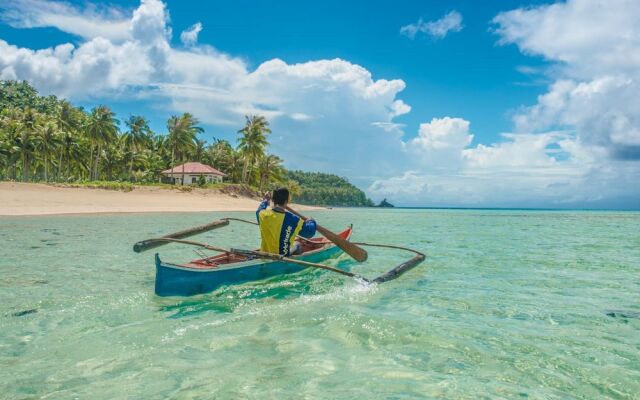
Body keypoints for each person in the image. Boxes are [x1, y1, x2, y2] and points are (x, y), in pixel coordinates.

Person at [256, 187, 316, 256]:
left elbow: (260, 208)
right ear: (286, 201)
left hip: (265, 254)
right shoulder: (293, 219)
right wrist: (311, 221)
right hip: (283, 256)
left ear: (273, 200)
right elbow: (309, 233)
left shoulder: (262, 214)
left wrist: (265, 200)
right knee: (298, 244)